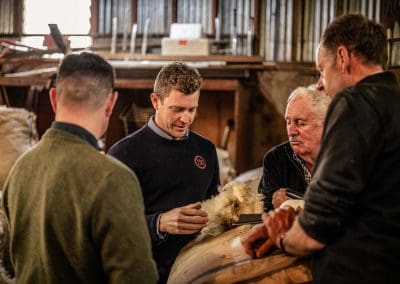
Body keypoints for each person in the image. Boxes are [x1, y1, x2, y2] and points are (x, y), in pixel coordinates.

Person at [242, 14, 400, 283]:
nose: (320, 83)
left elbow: (315, 230)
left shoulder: (353, 102)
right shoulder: (393, 102)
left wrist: (281, 236)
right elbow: (372, 202)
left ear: (342, 57)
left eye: (321, 69)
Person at [1, 52, 158, 283]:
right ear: (110, 103)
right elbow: (137, 277)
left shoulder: (20, 169)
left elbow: (11, 263)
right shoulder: (113, 178)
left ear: (53, 98)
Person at [108, 61, 220, 283]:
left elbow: (214, 206)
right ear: (155, 101)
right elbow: (110, 228)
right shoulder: (123, 154)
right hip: (142, 273)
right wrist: (159, 223)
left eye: (192, 109)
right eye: (177, 109)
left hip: (195, 271)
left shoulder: (205, 150)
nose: (186, 119)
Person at [259, 86, 331, 211]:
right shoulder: (275, 159)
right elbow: (265, 209)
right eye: (288, 122)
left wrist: (295, 203)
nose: (291, 131)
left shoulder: (343, 157)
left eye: (300, 123)